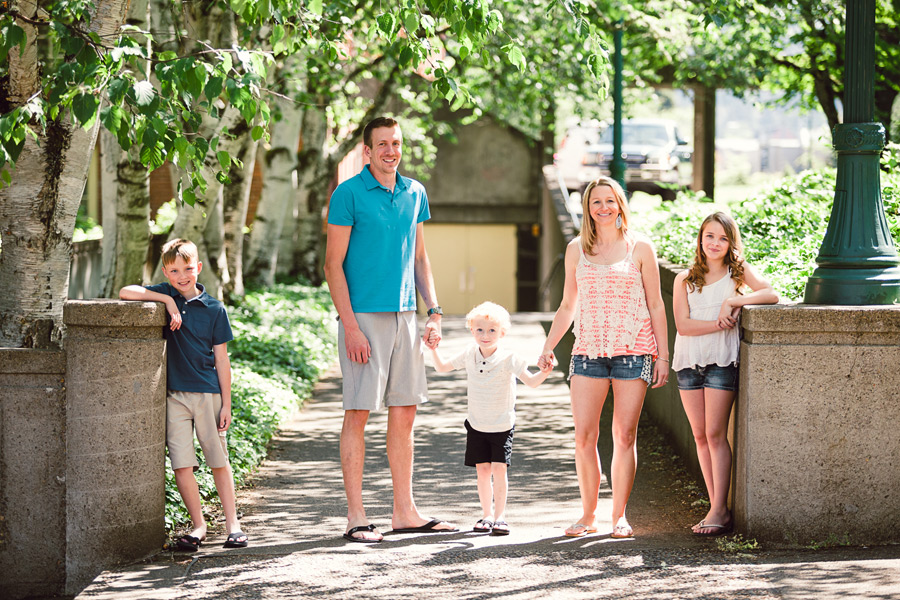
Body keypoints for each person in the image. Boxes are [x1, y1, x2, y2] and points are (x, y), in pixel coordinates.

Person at [324, 116, 457, 543]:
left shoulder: (415, 192)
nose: (390, 151)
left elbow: (420, 258)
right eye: (381, 144)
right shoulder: (347, 195)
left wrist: (433, 311)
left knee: (405, 413)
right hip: (363, 318)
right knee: (358, 413)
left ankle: (405, 511)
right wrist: (350, 326)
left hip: (406, 316)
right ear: (367, 151)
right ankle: (356, 516)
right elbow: (333, 265)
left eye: (395, 143)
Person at [538, 176, 669, 539]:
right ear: (588, 209)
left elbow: (657, 304)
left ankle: (619, 517)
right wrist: (548, 346)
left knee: (624, 435)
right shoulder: (576, 249)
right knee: (584, 437)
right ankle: (587, 515)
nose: (604, 207)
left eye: (610, 201)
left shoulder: (640, 248)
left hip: (634, 351)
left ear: (620, 205)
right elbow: (567, 305)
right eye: (596, 202)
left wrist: (663, 356)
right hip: (588, 352)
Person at [119, 239, 248, 551]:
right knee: (181, 464)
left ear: (198, 268)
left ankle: (233, 525)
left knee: (218, 460)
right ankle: (199, 526)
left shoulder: (215, 309)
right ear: (166, 271)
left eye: (188, 268)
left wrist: (227, 404)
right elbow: (126, 292)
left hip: (208, 394)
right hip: (174, 396)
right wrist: (167, 301)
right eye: (174, 270)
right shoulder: (166, 293)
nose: (181, 275)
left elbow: (222, 360)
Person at [672, 212, 778, 536]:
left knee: (716, 434)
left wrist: (734, 300)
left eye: (722, 238)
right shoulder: (684, 279)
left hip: (721, 361)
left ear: (731, 242)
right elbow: (683, 326)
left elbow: (772, 294)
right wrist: (716, 323)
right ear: (700, 239)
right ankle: (714, 504)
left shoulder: (737, 272)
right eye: (709, 236)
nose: (715, 243)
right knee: (700, 436)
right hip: (689, 361)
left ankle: (720, 508)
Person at [428, 302, 553, 536]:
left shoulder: (509, 358)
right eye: (480, 330)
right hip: (476, 424)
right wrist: (433, 349)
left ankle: (500, 517)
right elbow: (443, 367)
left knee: (499, 470)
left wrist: (545, 372)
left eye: (492, 330)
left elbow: (532, 381)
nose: (485, 335)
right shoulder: (469, 353)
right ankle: (486, 515)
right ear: (471, 330)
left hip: (502, 425)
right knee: (482, 472)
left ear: (502, 332)